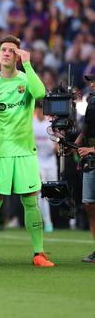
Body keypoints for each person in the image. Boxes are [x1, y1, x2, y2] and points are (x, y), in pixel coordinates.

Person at [0, 35, 54, 267]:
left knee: (30, 201)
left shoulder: (26, 80)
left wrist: (28, 64)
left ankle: (39, 253)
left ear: (18, 55)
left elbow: (40, 94)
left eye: (11, 50)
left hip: (24, 152)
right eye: (3, 50)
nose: (7, 53)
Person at [77, 74, 95, 263]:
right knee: (90, 204)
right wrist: (79, 140)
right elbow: (87, 127)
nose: (92, 84)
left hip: (91, 152)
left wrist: (91, 149)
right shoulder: (91, 103)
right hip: (90, 158)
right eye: (91, 81)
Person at [33, 101, 57, 233]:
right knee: (41, 192)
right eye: (38, 108)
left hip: (50, 161)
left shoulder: (51, 125)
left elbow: (57, 144)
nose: (41, 111)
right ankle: (47, 223)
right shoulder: (31, 124)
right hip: (37, 160)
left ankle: (69, 221)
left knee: (52, 193)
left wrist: (57, 146)